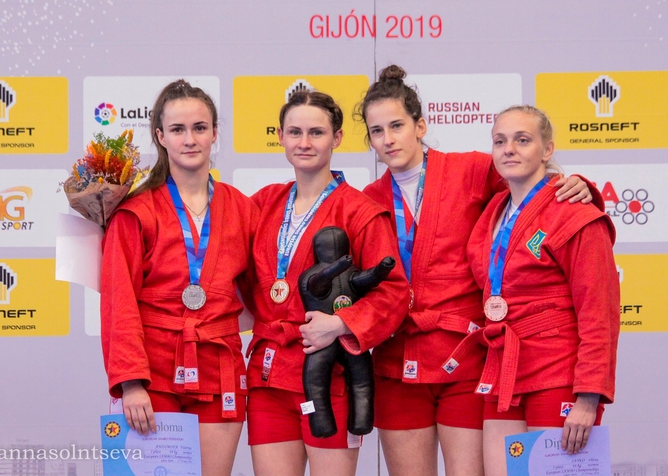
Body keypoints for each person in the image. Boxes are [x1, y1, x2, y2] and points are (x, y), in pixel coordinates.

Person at [356, 65, 594, 476]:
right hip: (397, 359)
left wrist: (576, 186)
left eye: (397, 125)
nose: (388, 139)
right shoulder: (367, 200)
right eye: (377, 131)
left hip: (464, 359)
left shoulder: (471, 169)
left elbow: (532, 195)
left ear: (420, 126)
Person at [243, 90, 410, 476]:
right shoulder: (262, 204)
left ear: (336, 138)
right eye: (295, 132)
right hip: (270, 376)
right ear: (280, 136)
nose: (304, 142)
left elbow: (393, 291)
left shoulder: (361, 211)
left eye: (316, 133)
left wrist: (340, 323)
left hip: (331, 373)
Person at [100, 80, 258, 476]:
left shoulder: (242, 208)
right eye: (177, 129)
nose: (190, 139)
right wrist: (131, 382)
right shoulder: (135, 211)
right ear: (160, 136)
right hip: (153, 373)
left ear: (215, 133)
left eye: (200, 128)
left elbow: (263, 289)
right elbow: (119, 301)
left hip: (219, 365)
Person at [464, 105, 619, 476]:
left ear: (547, 149)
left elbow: (599, 312)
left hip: (558, 373)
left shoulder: (576, 213)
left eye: (522, 140)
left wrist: (588, 397)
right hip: (504, 370)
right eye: (500, 141)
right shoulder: (494, 209)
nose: (509, 149)